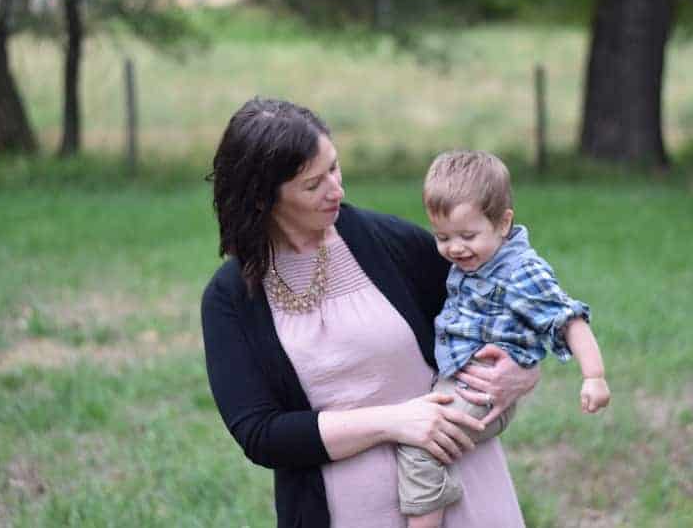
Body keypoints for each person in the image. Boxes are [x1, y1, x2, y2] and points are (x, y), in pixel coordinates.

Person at [201, 98, 539, 528]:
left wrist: (523, 372)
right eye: (312, 184)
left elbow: (505, 304)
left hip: (465, 494)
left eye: (334, 168)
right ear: (262, 199)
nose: (336, 190)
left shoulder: (388, 243)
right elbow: (261, 434)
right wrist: (394, 422)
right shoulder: (230, 299)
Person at [397, 150, 610, 528]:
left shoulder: (520, 271)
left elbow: (570, 320)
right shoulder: (475, 260)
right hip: (460, 380)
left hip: (484, 392)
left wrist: (593, 377)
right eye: (442, 236)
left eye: (467, 235)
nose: (454, 248)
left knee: (421, 446)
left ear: (503, 223)